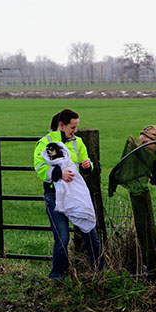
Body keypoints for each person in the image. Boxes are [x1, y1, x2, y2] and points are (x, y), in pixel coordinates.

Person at [34, 109, 104, 279]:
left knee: (90, 231)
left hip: (77, 194)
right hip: (55, 195)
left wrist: (88, 166)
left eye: (76, 127)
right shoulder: (48, 143)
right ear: (61, 125)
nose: (75, 131)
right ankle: (58, 275)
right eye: (72, 127)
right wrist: (59, 174)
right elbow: (41, 168)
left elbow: (84, 165)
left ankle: (100, 270)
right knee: (62, 237)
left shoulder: (78, 142)